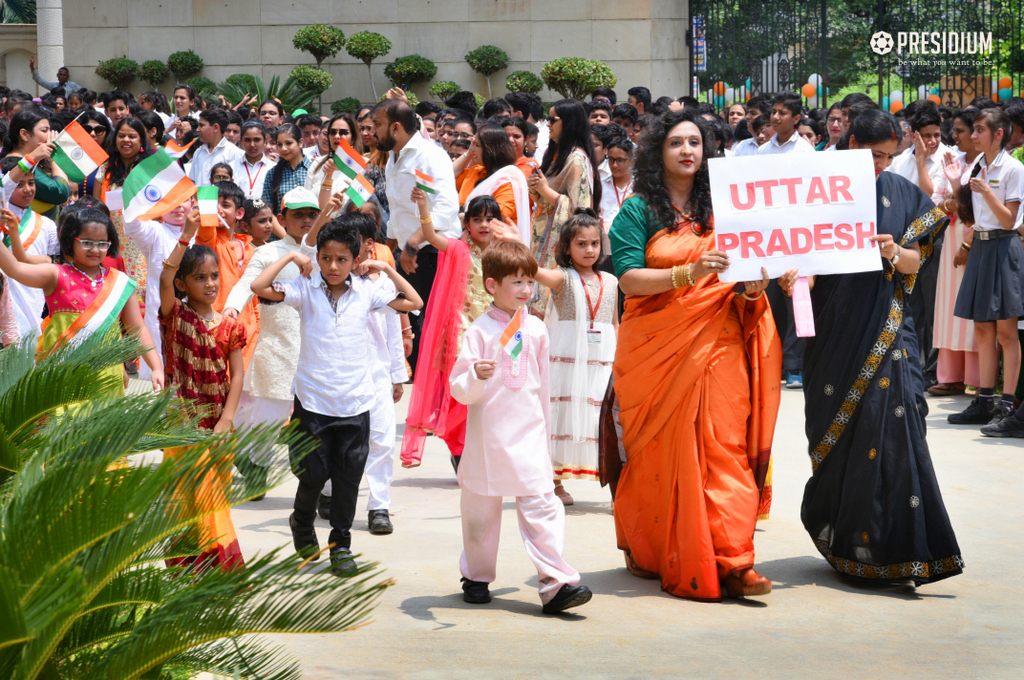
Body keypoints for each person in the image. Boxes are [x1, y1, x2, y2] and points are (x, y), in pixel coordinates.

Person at [606, 109, 779, 600]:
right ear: (658, 151)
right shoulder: (638, 210)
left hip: (719, 339)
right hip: (653, 348)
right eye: (676, 142)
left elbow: (744, 277)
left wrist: (752, 288)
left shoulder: (726, 208)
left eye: (695, 143)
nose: (687, 150)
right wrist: (692, 271)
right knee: (661, 450)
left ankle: (734, 558)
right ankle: (662, 548)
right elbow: (629, 278)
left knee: (723, 446)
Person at [788, 109, 962, 586]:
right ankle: (852, 545)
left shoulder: (903, 194)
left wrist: (891, 251)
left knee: (898, 424)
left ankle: (903, 549)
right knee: (841, 435)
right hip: (835, 327)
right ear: (848, 146)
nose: (881, 165)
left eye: (887, 156)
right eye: (872, 155)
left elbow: (913, 265)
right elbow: (794, 254)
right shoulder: (813, 190)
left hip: (889, 327)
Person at [250, 215, 423, 575]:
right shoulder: (305, 290)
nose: (332, 266)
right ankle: (301, 520)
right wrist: (290, 259)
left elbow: (414, 300)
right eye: (326, 258)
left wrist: (385, 270)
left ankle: (340, 544)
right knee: (312, 473)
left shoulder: (368, 293)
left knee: (347, 479)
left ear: (355, 261)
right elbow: (260, 287)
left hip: (355, 403)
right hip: (313, 401)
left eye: (342, 259)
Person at [450, 239, 591, 613]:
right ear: (492, 285)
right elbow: (459, 390)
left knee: (543, 504)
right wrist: (477, 376)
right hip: (488, 439)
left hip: (528, 435)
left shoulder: (538, 330)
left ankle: (555, 583)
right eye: (516, 282)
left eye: (530, 281)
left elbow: (543, 388)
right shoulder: (479, 331)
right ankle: (477, 576)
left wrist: (546, 437)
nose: (527, 290)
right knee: (480, 511)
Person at [305, 205, 407, 532]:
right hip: (335, 377)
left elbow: (392, 329)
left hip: (375, 373)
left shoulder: (378, 284)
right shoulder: (321, 284)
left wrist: (396, 374)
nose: (362, 248)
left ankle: (379, 506)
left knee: (380, 438)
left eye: (365, 242)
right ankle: (329, 492)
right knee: (335, 442)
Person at [159, 209, 246, 570]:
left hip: (216, 423)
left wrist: (227, 419)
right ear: (183, 284)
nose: (211, 284)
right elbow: (164, 276)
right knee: (185, 495)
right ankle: (194, 564)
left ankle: (215, 564)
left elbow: (237, 376)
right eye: (200, 278)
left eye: (214, 277)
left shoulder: (229, 326)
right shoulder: (174, 316)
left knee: (213, 495)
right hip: (181, 423)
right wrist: (187, 234)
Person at [0, 206, 163, 394]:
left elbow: (138, 328)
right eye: (87, 242)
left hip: (105, 378)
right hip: (61, 375)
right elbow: (15, 269)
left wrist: (156, 366)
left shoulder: (120, 282)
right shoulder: (56, 274)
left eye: (102, 244)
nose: (95, 249)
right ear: (71, 242)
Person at [402, 195, 512, 470]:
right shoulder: (459, 249)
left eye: (490, 219)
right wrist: (424, 208)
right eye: (478, 219)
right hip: (462, 336)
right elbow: (430, 235)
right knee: (462, 394)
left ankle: (481, 453)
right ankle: (460, 451)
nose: (484, 225)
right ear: (467, 223)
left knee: (494, 394)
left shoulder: (506, 253)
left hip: (498, 333)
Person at [226, 188, 320, 497]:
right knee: (270, 415)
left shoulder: (325, 251)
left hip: (318, 348)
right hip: (278, 346)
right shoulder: (268, 253)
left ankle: (325, 484)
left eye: (312, 214)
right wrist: (231, 310)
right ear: (283, 219)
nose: (306, 220)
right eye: (298, 215)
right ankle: (255, 465)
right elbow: (245, 285)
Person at [531, 208, 617, 505]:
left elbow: (615, 324)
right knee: (561, 416)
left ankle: (618, 488)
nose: (589, 249)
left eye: (594, 243)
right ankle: (554, 483)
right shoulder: (562, 278)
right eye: (581, 243)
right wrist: (513, 242)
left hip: (601, 363)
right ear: (566, 247)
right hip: (566, 364)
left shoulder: (612, 281)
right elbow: (532, 271)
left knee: (601, 419)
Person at [948, 107, 1024, 429]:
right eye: (974, 129)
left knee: (1006, 332)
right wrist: (956, 186)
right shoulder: (977, 166)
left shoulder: (1014, 169)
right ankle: (984, 401)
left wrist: (988, 192)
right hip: (980, 245)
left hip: (1005, 246)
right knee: (982, 328)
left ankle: (1007, 407)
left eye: (979, 130)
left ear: (998, 134)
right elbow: (968, 214)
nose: (973, 135)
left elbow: (1010, 220)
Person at [375, 98, 461, 372]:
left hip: (434, 251)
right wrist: (390, 249)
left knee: (433, 327)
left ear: (396, 127)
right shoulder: (393, 155)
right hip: (408, 253)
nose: (371, 131)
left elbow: (447, 209)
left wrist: (414, 243)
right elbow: (398, 209)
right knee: (410, 321)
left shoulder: (430, 155)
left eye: (377, 125)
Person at [757, 93, 815, 390]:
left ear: (796, 119)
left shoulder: (805, 153)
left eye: (783, 113)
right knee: (772, 299)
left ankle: (796, 367)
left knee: (797, 298)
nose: (776, 117)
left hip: (797, 236)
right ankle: (775, 363)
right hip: (767, 236)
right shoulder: (763, 151)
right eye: (774, 112)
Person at [529, 99, 600, 314]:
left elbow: (581, 210)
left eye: (553, 119)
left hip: (559, 242)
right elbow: (545, 200)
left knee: (550, 306)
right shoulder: (555, 155)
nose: (548, 124)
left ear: (568, 122)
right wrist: (535, 189)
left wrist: (545, 190)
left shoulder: (577, 159)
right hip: (541, 235)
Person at [928, 110, 980, 397]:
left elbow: (978, 212)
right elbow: (937, 205)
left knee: (972, 309)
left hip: (974, 240)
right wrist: (951, 202)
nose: (954, 136)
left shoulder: (984, 166)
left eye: (960, 130)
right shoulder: (954, 161)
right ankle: (949, 376)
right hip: (951, 238)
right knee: (948, 307)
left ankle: (974, 376)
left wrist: (968, 244)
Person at [123, 196, 194, 381]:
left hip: (194, 315)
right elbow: (132, 226)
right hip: (160, 317)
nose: (178, 204)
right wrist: (141, 195)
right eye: (169, 199)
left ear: (193, 204)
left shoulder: (201, 233)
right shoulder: (156, 231)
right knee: (159, 374)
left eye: (184, 199)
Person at [0, 155, 60, 339]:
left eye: (31, 183)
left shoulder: (47, 224)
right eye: (19, 184)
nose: (27, 189)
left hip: (33, 297)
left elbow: (53, 262)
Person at [93, 117, 151, 291]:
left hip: (143, 242)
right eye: (121, 136)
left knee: (140, 294)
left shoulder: (150, 169)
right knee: (112, 292)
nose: (126, 140)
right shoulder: (105, 168)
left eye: (132, 136)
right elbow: (96, 209)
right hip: (111, 242)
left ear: (141, 140)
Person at [456, 125, 531, 240]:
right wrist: (468, 154)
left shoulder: (509, 180)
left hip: (496, 250)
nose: (473, 149)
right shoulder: (475, 171)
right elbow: (446, 178)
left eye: (477, 146)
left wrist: (462, 216)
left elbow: (494, 218)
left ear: (489, 150)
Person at [2, 107, 70, 221]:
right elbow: (61, 193)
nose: (50, 136)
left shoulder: (36, 160)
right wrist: (55, 158)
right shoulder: (17, 164)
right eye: (44, 131)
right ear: (24, 134)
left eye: (50, 130)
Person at [306, 113, 360, 207]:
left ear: (353, 137)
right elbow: (306, 200)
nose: (337, 136)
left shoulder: (363, 165)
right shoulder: (317, 164)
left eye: (343, 132)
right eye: (333, 132)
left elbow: (368, 205)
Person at [261, 124, 310, 215]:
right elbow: (267, 210)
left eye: (288, 143)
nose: (283, 149)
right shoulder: (272, 174)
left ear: (301, 143)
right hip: (281, 227)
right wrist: (281, 230)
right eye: (279, 144)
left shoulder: (314, 170)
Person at [188, 109, 245, 188]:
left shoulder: (235, 153)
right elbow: (192, 182)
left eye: (202, 125)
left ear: (215, 127)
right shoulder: (198, 152)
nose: (198, 129)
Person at [232, 121, 276, 200]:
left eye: (257, 140)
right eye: (247, 140)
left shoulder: (273, 168)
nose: (252, 145)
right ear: (241, 141)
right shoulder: (232, 167)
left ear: (265, 140)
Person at [598, 136, 634, 232]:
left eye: (620, 160)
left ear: (631, 160)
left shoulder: (639, 188)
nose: (614, 165)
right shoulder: (600, 187)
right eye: (610, 160)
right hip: (606, 241)